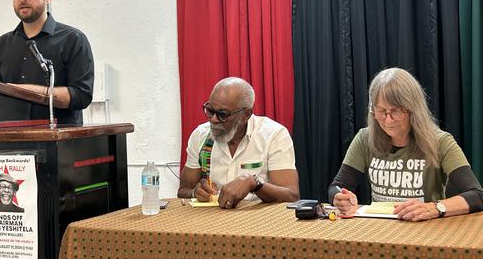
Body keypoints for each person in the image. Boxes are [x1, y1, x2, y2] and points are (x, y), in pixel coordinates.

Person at [328, 67, 483, 221]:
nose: (388, 120)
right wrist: (339, 197)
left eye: (396, 111)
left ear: (413, 109)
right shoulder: (365, 138)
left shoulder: (441, 142)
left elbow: (477, 195)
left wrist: (434, 207)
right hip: (380, 230)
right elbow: (336, 187)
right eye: (381, 111)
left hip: (425, 230)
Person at [0, 0, 94, 124]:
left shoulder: (73, 39)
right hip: (10, 142)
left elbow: (82, 96)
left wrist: (24, 92)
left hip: (59, 142)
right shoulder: (2, 44)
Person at [177, 77, 300, 208]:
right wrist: (196, 192)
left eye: (222, 114)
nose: (213, 119)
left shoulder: (273, 135)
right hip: (210, 222)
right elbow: (183, 191)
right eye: (210, 110)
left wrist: (254, 183)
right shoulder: (200, 136)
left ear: (246, 115)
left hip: (259, 222)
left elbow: (291, 196)